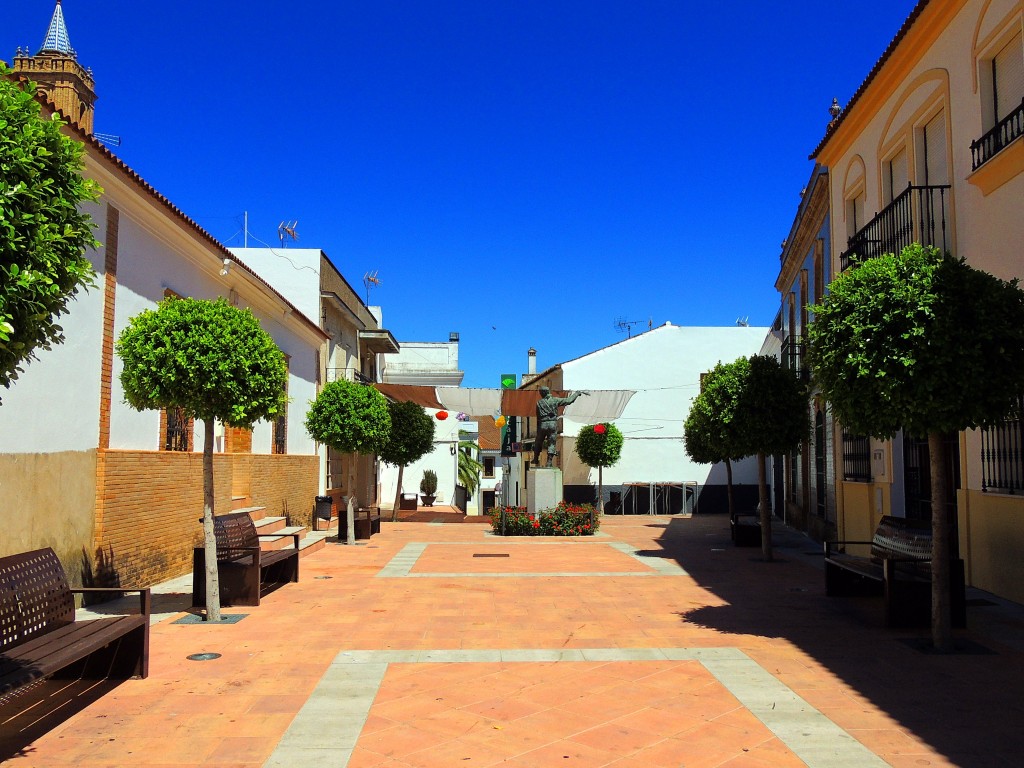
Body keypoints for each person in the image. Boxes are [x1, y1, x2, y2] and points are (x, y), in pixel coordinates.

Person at [532, 386, 588, 467]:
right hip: (552, 424)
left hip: (542, 424)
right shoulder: (555, 400)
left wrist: (538, 429)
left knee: (538, 441)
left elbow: (538, 417)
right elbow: (569, 401)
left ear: (542, 393)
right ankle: (549, 462)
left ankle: (535, 458)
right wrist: (576, 393)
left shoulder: (539, 403)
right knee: (551, 443)